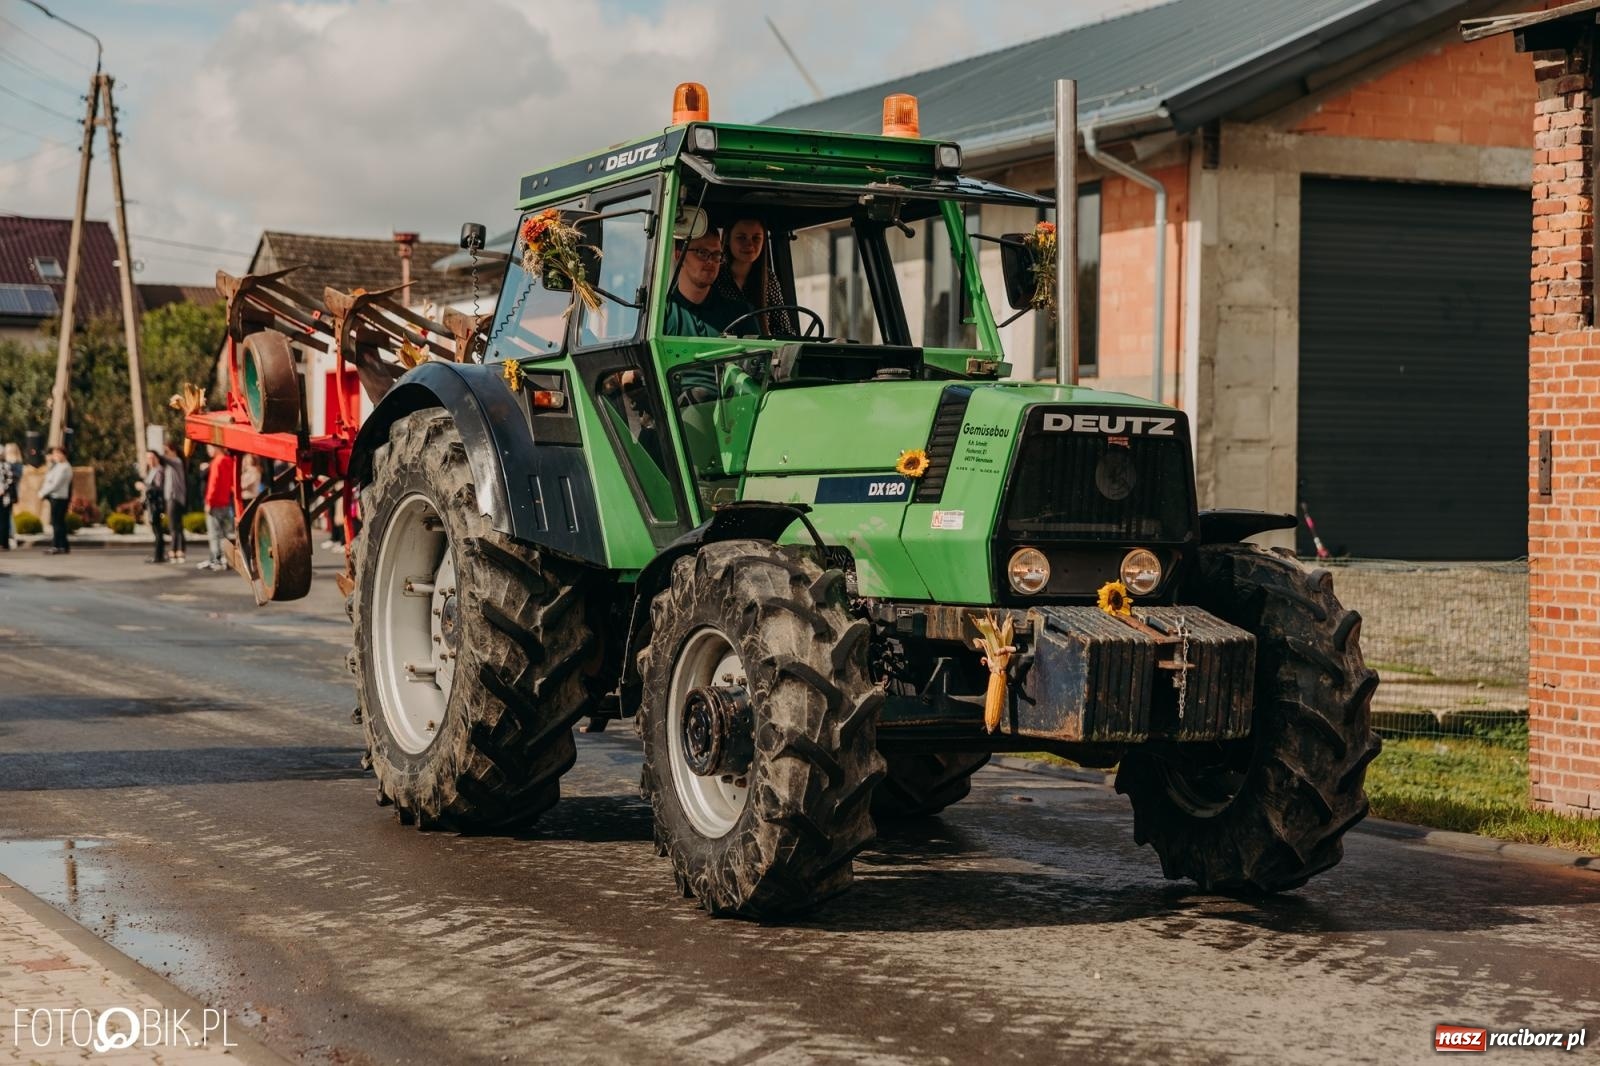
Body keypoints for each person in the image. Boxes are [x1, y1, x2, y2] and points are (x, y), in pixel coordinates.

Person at [664, 229, 752, 337]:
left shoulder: (741, 314)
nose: (711, 261)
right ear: (679, 256)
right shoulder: (660, 315)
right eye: (702, 253)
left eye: (717, 254)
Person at [715, 218, 794, 335]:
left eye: (756, 238)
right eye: (741, 238)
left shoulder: (768, 278)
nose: (749, 244)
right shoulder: (715, 276)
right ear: (727, 239)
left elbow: (783, 330)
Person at [199, 445, 236, 571]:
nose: (208, 451)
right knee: (224, 533)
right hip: (225, 500)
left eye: (209, 448)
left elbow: (213, 483)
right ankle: (226, 559)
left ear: (216, 448)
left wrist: (209, 501)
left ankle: (216, 560)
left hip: (215, 502)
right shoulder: (229, 460)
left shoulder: (217, 462)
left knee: (214, 533)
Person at [38, 446, 72, 555]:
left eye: (58, 454)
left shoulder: (65, 467)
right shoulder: (57, 466)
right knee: (59, 522)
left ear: (64, 455)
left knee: (57, 523)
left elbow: (55, 484)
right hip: (54, 496)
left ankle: (56, 545)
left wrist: (43, 492)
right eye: (54, 454)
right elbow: (49, 478)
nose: (55, 456)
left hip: (59, 497)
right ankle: (63, 545)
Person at [138, 450, 168, 563]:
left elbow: (158, 488)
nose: (149, 460)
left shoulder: (159, 470)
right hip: (151, 504)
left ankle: (158, 556)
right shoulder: (152, 470)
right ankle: (158, 555)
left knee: (158, 530)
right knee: (156, 530)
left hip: (157, 504)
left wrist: (144, 487)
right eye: (148, 458)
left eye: (151, 457)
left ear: (157, 458)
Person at [161, 445, 188, 564]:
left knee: (173, 526)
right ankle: (179, 550)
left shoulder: (176, 461)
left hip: (175, 497)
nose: (165, 453)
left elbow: (163, 458)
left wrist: (158, 452)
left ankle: (175, 550)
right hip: (173, 497)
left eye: (166, 451)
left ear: (174, 451)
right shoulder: (171, 465)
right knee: (177, 525)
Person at [0, 442, 19, 550]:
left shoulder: (5, 466)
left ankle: (4, 542)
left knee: (4, 519)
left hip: (5, 498)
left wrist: (3, 489)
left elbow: (10, 480)